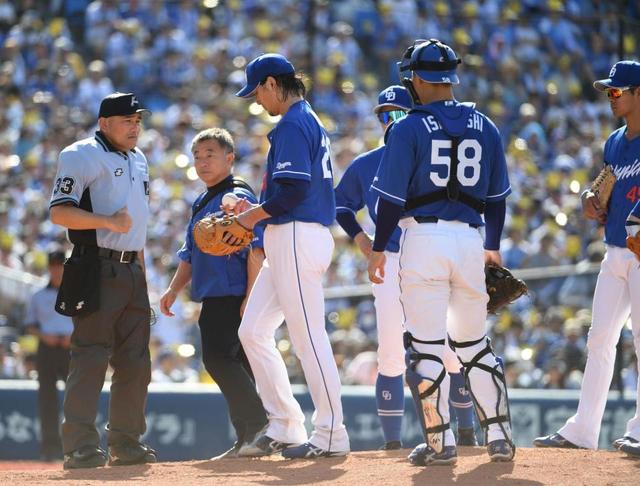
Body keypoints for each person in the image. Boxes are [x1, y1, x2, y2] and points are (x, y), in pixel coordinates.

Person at [367, 39, 514, 466]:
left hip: (424, 241)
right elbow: (498, 198)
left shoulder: (407, 127)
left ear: (414, 77)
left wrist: (378, 249)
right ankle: (500, 437)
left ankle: (439, 443)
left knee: (427, 347)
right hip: (470, 238)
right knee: (474, 344)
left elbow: (392, 200)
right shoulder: (485, 124)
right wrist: (492, 246)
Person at [334, 85, 477, 449]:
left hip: (430, 256)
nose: (391, 121)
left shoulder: (435, 159)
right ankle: (392, 444)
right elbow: (340, 204)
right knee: (390, 351)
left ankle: (465, 432)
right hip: (390, 260)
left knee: (449, 346)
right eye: (385, 114)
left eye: (398, 113)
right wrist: (361, 239)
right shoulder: (367, 163)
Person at [232, 53, 350, 458]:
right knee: (253, 331)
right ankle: (285, 424)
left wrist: (251, 215)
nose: (257, 102)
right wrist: (252, 212)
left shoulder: (294, 123)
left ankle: (332, 434)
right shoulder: (305, 119)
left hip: (299, 234)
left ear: (270, 83)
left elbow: (293, 192)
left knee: (308, 338)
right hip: (290, 237)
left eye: (256, 93)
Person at [534, 60, 640, 451]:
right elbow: (605, 183)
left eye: (617, 92)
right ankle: (583, 430)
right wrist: (589, 198)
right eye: (608, 92)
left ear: (639, 93)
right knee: (599, 340)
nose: (610, 98)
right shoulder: (615, 141)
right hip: (615, 250)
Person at [49, 92, 157, 469]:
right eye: (127, 120)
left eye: (138, 120)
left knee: (136, 361)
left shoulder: (139, 159)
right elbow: (60, 213)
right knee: (91, 357)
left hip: (132, 269)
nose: (135, 127)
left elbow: (139, 223)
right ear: (104, 123)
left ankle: (125, 443)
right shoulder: (79, 154)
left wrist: (144, 275)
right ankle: (79, 446)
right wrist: (108, 222)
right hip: (95, 265)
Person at [159, 127, 268, 459]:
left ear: (230, 158)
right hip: (214, 293)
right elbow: (190, 253)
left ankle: (260, 426)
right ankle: (249, 438)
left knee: (218, 358)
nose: (202, 161)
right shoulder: (201, 201)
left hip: (233, 292)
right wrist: (174, 288)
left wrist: (251, 294)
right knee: (236, 362)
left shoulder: (237, 194)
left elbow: (256, 249)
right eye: (197, 156)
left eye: (210, 154)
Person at [24, 247, 73, 461]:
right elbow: (29, 325)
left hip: (70, 348)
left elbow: (85, 321)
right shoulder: (38, 295)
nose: (56, 270)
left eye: (59, 266)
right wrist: (44, 336)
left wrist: (73, 337)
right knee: (47, 399)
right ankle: (50, 448)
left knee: (75, 398)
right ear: (48, 268)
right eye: (53, 266)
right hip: (47, 348)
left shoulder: (76, 292)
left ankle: (75, 446)